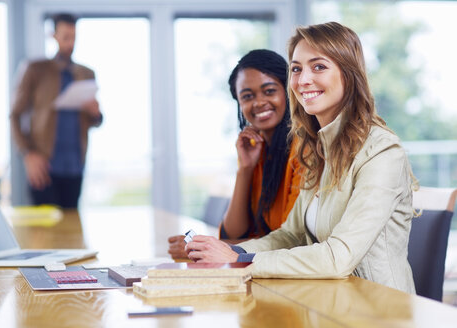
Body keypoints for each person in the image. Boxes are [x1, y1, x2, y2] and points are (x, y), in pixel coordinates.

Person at [185, 22, 416, 294]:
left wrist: (239, 260)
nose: (303, 80)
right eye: (296, 69)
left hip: (379, 310)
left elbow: (338, 257)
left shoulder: (382, 153)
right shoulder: (319, 149)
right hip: (331, 300)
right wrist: (230, 250)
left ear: (349, 74)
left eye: (318, 66)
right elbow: (290, 235)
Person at [168, 49, 302, 259]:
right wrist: (245, 168)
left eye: (269, 91)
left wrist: (211, 248)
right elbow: (234, 231)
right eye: (247, 96)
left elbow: (292, 240)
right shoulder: (258, 149)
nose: (258, 102)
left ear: (287, 91)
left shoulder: (302, 149)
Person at [10, 13, 102, 209]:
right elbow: (15, 115)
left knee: (70, 229)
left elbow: (96, 120)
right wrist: (28, 154)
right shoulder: (35, 70)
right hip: (44, 166)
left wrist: (96, 113)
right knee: (44, 232)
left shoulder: (86, 74)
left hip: (75, 166)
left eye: (74, 37)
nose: (70, 43)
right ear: (54, 36)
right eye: (65, 37)